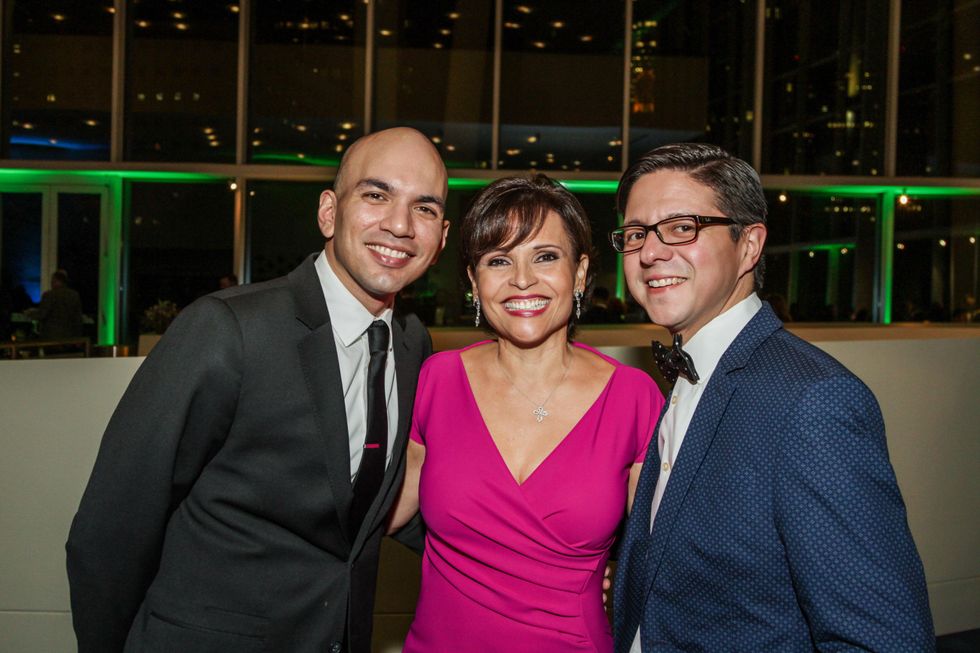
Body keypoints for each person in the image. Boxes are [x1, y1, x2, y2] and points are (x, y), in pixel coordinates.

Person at [65, 127, 449, 653]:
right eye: (376, 195)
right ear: (329, 213)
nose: (401, 225)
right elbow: (112, 528)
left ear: (443, 236)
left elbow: (367, 507)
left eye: (424, 208)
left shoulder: (411, 343)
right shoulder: (226, 329)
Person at [610, 143, 934, 651]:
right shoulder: (686, 373)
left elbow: (882, 638)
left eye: (682, 228)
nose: (651, 252)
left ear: (749, 245)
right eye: (636, 234)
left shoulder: (815, 401)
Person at [389, 174, 665, 652]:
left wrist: (619, 579)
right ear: (475, 281)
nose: (522, 280)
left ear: (579, 274)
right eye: (499, 260)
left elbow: (660, 553)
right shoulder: (436, 380)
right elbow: (378, 515)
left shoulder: (634, 398)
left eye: (545, 256)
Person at [33, 269, 83, 339]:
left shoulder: (49, 295)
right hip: (69, 337)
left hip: (51, 337)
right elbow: (78, 318)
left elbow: (42, 314)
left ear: (56, 281)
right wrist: (78, 335)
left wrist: (31, 314)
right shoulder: (74, 295)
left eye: (52, 281)